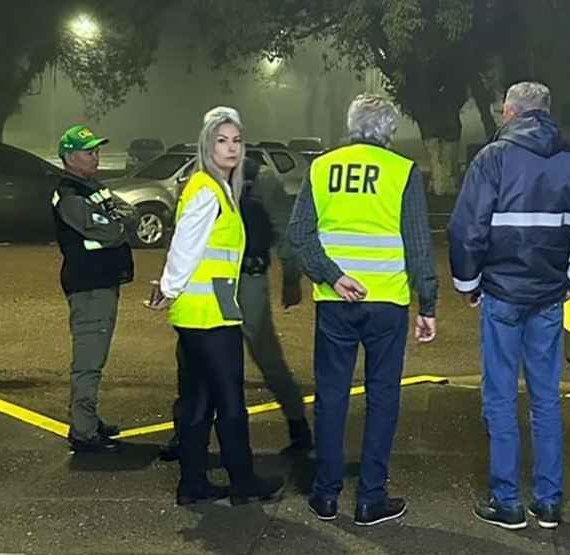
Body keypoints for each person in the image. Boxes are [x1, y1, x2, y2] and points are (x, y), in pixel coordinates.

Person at [448, 82, 570, 530]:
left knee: (500, 397)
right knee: (546, 399)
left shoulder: (493, 159)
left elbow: (467, 230)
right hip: (548, 296)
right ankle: (549, 501)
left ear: (509, 111)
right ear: (547, 111)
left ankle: (507, 501)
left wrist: (469, 282)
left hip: (502, 293)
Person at [289, 94, 438, 526]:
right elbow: (417, 243)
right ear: (390, 131)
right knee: (383, 397)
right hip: (387, 302)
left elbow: (300, 235)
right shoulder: (402, 171)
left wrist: (333, 276)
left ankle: (326, 495)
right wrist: (426, 302)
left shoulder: (321, 167)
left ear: (352, 125)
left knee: (331, 396)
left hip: (336, 302)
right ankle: (371, 497)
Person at [145, 106, 283, 506]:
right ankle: (242, 481)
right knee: (230, 400)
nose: (231, 148)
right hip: (206, 317)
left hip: (204, 312)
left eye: (236, 140)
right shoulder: (207, 190)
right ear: (207, 147)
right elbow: (185, 247)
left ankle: (193, 484)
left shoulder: (220, 188)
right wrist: (169, 288)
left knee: (199, 400)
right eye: (221, 141)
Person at [159, 156, 312, 462]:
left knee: (265, 355)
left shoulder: (260, 178)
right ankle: (187, 433)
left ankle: (297, 424)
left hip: (246, 279)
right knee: (192, 359)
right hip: (207, 282)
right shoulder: (197, 176)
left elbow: (284, 226)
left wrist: (292, 276)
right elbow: (182, 234)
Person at [52, 125, 136, 454]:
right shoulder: (71, 196)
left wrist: (116, 224)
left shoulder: (91, 187)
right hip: (89, 286)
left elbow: (126, 215)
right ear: (70, 158)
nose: (96, 156)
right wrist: (115, 225)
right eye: (89, 152)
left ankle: (87, 419)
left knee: (95, 356)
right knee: (89, 359)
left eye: (97, 150)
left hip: (102, 281)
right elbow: (113, 230)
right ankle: (84, 432)